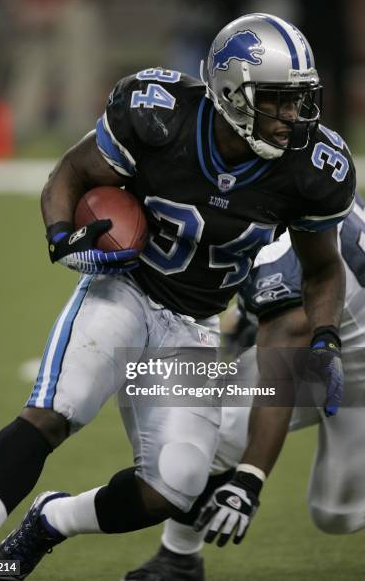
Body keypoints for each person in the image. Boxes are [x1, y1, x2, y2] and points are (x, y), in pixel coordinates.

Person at [0, 13, 355, 581]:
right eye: (276, 101)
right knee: (55, 410)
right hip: (126, 289)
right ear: (230, 91)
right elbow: (69, 172)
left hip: (194, 325)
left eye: (299, 101)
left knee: (174, 485)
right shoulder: (160, 113)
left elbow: (321, 270)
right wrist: (60, 237)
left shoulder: (312, 167)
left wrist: (326, 336)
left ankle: (49, 519)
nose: (293, 118)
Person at [123, 195, 365, 580]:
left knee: (336, 513)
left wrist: (250, 478)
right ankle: (178, 558)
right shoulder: (301, 185)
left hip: (354, 373)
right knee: (213, 425)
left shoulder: (279, 245)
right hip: (318, 341)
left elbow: (281, 366)